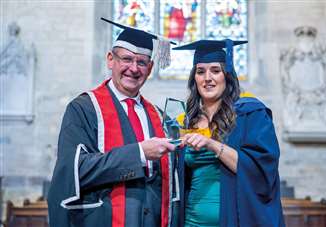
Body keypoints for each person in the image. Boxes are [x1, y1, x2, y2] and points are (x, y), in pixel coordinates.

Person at [47, 18, 178, 227]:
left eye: (142, 62)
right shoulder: (83, 109)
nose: (133, 69)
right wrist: (140, 153)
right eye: (126, 59)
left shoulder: (160, 117)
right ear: (110, 59)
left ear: (150, 68)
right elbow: (74, 170)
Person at [173, 39, 285, 227]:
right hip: (191, 222)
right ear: (195, 79)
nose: (207, 78)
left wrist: (211, 144)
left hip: (237, 220)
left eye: (215, 71)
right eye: (200, 72)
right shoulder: (184, 122)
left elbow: (261, 170)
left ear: (227, 75)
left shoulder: (250, 114)